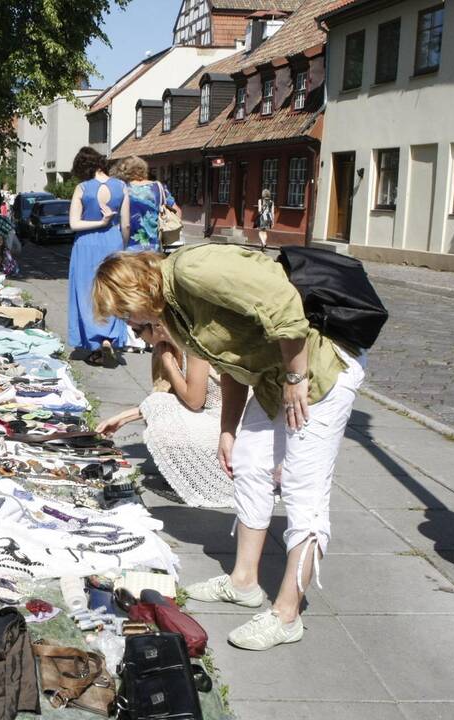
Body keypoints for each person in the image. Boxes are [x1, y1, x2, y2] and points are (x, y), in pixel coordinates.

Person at [91, 247, 366, 651]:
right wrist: (227, 429)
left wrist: (296, 376)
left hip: (316, 378)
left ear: (134, 291)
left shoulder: (192, 269)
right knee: (249, 465)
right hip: (274, 382)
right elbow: (231, 364)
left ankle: (288, 614)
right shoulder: (175, 312)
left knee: (303, 492)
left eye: (123, 312)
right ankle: (244, 581)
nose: (129, 325)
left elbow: (283, 301)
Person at [96, 321, 231, 508]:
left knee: (165, 426)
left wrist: (169, 363)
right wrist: (121, 419)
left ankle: (204, 475)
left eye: (137, 331)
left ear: (158, 326)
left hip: (229, 422)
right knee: (160, 410)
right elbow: (162, 396)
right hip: (209, 416)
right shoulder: (163, 348)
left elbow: (193, 400)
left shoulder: (191, 345)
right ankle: (188, 472)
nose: (137, 338)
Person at [67, 146, 128, 367]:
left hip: (86, 244)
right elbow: (126, 224)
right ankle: (109, 337)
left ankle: (96, 340)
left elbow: (74, 224)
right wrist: (123, 244)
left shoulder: (82, 188)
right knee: (112, 291)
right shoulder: (122, 186)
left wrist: (98, 223)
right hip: (113, 243)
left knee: (86, 293)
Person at [113, 155, 181, 253]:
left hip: (128, 246)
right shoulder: (159, 187)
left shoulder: (121, 189)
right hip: (155, 246)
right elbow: (177, 212)